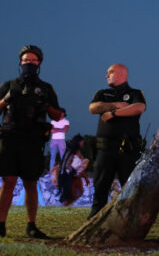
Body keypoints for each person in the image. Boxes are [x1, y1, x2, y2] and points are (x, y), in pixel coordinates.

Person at [0, 45, 66, 238]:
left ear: (39, 63)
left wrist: (45, 103)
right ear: (20, 63)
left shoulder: (46, 88)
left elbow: (58, 116)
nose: (29, 64)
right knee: (9, 182)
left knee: (31, 183)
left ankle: (31, 225)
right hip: (11, 138)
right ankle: (0, 225)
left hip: (32, 140)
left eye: (33, 61)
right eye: (26, 61)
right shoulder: (9, 85)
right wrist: (6, 99)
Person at [88, 63, 146, 218]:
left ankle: (130, 220)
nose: (107, 75)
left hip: (127, 151)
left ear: (122, 74)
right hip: (104, 150)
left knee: (129, 188)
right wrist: (115, 104)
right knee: (100, 186)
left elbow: (139, 107)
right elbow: (93, 108)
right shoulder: (102, 93)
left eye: (110, 72)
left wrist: (113, 113)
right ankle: (95, 218)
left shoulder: (135, 93)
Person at [57, 134, 90, 206]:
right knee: (72, 194)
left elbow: (79, 167)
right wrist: (72, 171)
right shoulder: (71, 152)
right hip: (69, 175)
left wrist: (85, 178)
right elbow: (67, 164)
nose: (83, 143)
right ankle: (65, 206)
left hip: (75, 175)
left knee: (80, 192)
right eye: (82, 142)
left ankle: (67, 205)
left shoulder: (77, 151)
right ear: (78, 142)